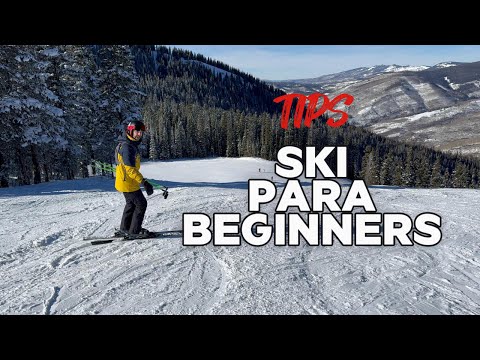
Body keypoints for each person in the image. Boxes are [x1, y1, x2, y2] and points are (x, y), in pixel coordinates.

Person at [114, 120, 154, 237]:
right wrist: (144, 182)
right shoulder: (127, 147)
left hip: (125, 181)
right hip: (128, 182)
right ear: (130, 131)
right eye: (137, 132)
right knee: (141, 204)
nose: (139, 134)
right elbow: (130, 169)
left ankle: (125, 228)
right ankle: (134, 231)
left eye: (141, 132)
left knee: (131, 204)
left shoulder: (128, 144)